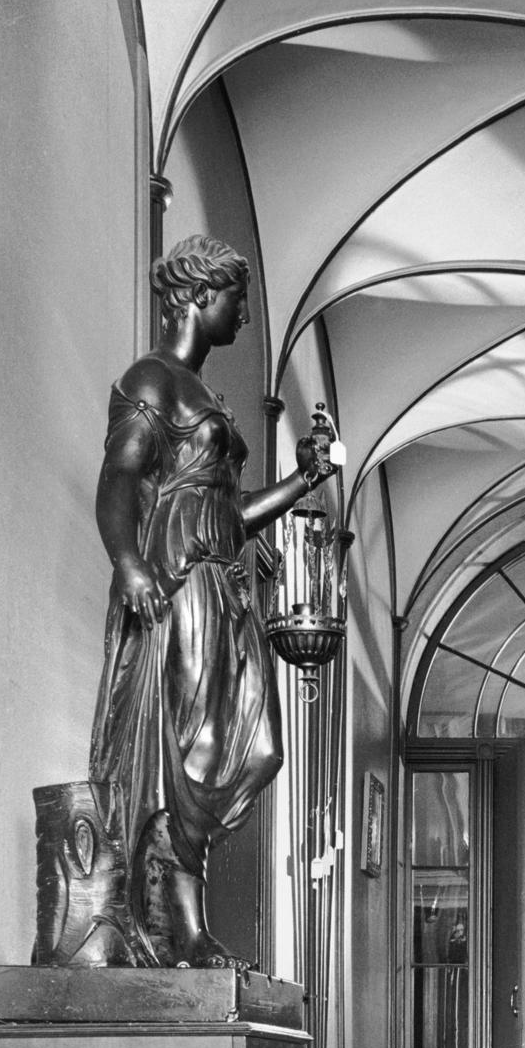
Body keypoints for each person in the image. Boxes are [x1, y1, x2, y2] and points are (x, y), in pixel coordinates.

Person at [92, 234, 337, 967]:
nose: (244, 316)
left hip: (224, 584)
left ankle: (182, 918)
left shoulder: (205, 395)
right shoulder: (152, 381)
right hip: (180, 580)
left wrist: (303, 482)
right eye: (237, 299)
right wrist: (129, 562)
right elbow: (118, 484)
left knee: (258, 750)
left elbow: (232, 510)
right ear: (200, 295)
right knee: (191, 755)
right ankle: (185, 929)